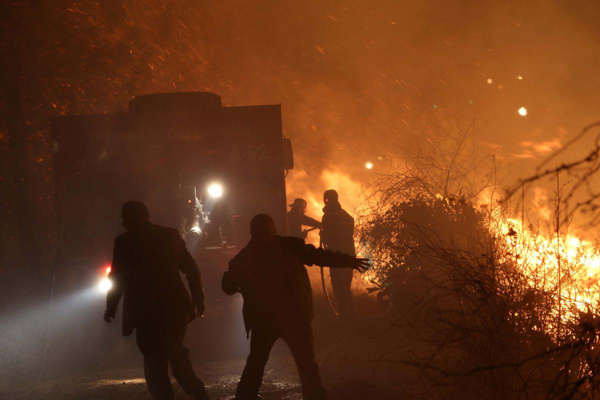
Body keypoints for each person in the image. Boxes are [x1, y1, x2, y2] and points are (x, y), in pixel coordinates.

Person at [222, 214, 368, 400]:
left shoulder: (246, 257)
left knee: (267, 362)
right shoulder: (288, 247)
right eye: (260, 233)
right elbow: (319, 256)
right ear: (272, 229)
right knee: (303, 363)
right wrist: (349, 261)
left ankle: (247, 396)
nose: (262, 236)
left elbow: (319, 256)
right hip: (289, 317)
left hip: (272, 320)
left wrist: (349, 261)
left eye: (263, 232)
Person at [103, 201, 209, 400]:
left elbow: (117, 278)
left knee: (153, 360)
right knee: (175, 352)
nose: (124, 223)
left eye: (125, 218)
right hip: (174, 307)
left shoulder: (124, 242)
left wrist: (112, 306)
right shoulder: (169, 236)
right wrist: (198, 298)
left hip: (144, 311)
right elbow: (191, 270)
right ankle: (198, 392)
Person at [320, 189, 356, 319]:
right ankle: (348, 314)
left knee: (340, 286)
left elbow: (333, 236)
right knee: (344, 286)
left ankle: (345, 315)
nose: (326, 201)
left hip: (337, 256)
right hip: (348, 255)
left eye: (328, 199)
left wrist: (325, 235)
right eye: (325, 198)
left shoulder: (330, 216)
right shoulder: (343, 214)